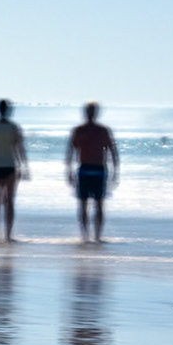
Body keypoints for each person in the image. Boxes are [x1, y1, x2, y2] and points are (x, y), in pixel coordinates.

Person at [64, 102, 119, 243]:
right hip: (88, 169)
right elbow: (70, 151)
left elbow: (113, 151)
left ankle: (93, 236)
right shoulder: (83, 130)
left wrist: (115, 171)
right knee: (88, 204)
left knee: (95, 204)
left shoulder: (98, 130)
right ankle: (89, 236)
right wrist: (68, 170)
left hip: (95, 169)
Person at [0, 98, 29, 241]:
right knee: (9, 202)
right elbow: (19, 148)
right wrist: (25, 166)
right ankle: (8, 235)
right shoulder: (14, 127)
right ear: (8, 110)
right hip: (10, 166)